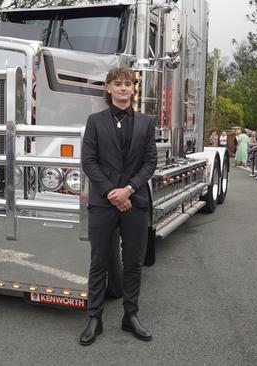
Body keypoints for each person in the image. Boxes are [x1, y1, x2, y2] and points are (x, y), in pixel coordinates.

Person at [80, 68, 157, 346]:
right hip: (103, 202)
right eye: (118, 84)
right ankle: (94, 318)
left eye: (128, 84)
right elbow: (88, 161)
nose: (124, 88)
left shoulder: (147, 123)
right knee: (99, 262)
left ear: (133, 89)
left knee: (133, 263)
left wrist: (129, 190)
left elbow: (150, 162)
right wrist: (112, 192)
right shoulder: (95, 121)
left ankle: (130, 316)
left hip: (135, 202)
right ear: (108, 88)